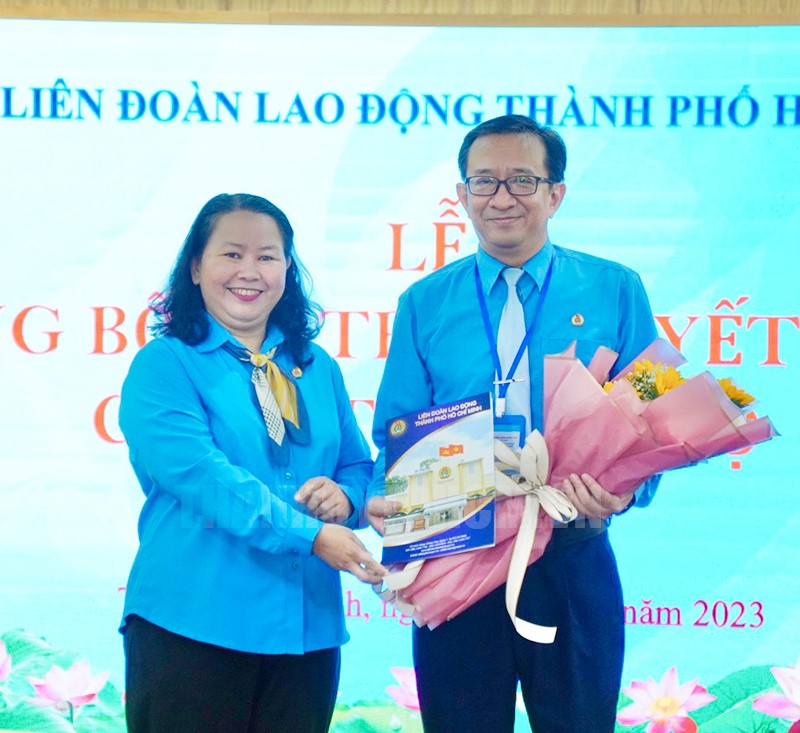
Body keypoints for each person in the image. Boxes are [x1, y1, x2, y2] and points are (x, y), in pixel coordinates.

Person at [368, 115, 660, 733]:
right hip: (458, 548)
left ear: (556, 193)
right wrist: (385, 497)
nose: (502, 197)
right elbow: (396, 426)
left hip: (572, 544)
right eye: (484, 182)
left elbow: (652, 408)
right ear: (463, 195)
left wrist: (626, 490)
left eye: (522, 180)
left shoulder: (614, 288)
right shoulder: (425, 302)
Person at [119, 193, 385, 733]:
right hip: (193, 622)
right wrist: (312, 535)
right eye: (232, 254)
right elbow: (203, 479)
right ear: (196, 267)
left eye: (267, 256)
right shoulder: (164, 365)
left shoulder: (317, 367)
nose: (250, 271)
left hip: (306, 631)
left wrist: (348, 497)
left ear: (288, 269)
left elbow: (359, 466)